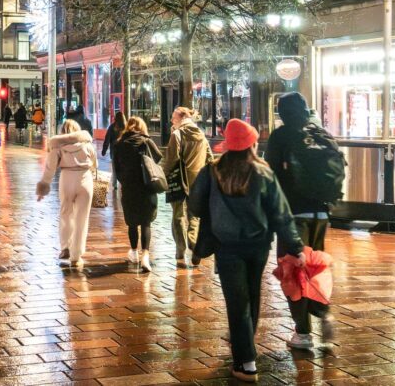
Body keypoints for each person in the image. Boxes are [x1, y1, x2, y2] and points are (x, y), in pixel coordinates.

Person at [188, 119, 304, 383]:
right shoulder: (263, 173)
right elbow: (281, 214)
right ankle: (246, 350)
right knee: (252, 294)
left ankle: (246, 361)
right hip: (258, 245)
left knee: (237, 301)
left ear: (228, 146)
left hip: (226, 246)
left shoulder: (212, 172)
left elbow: (195, 206)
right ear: (251, 144)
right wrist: (296, 247)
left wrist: (215, 212)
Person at [265, 92, 343, 347]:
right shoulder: (321, 134)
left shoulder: (281, 136)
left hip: (292, 216)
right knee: (315, 267)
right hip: (321, 215)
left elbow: (270, 176)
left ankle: (303, 332)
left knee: (292, 272)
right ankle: (324, 313)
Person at [36, 119, 98, 268]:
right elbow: (94, 164)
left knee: (65, 214)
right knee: (81, 219)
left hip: (67, 178)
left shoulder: (58, 146)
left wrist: (43, 188)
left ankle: (65, 247)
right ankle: (77, 256)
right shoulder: (87, 144)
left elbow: (50, 168)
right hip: (85, 179)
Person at [161, 106, 212, 268]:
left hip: (179, 181)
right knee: (194, 216)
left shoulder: (177, 135)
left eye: (173, 117)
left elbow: (171, 160)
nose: (171, 120)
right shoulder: (201, 135)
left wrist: (161, 175)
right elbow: (209, 157)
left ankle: (181, 250)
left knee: (178, 216)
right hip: (197, 182)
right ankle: (194, 243)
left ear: (181, 117)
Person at [112, 116, 163, 272]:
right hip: (147, 186)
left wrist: (123, 181)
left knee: (132, 222)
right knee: (146, 222)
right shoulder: (146, 141)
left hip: (129, 188)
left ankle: (134, 252)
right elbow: (158, 157)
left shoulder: (119, 144)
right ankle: (145, 256)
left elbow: (116, 168)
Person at [102, 111, 126, 190]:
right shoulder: (126, 127)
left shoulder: (112, 127)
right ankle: (123, 182)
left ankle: (115, 184)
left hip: (114, 151)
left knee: (115, 168)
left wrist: (104, 150)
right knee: (123, 167)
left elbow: (107, 139)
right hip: (124, 151)